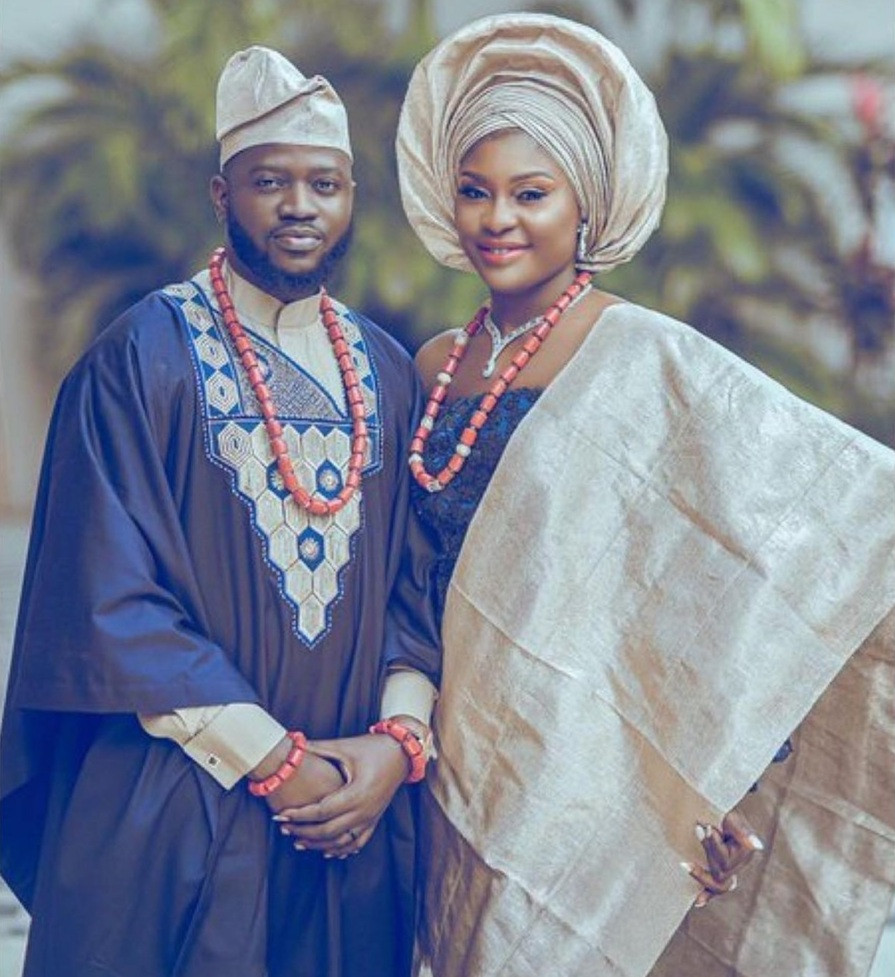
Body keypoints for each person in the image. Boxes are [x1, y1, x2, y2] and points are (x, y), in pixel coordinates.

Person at [392, 13, 895, 977]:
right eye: (475, 190)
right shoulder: (431, 365)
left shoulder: (642, 355)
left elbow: (764, 549)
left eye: (530, 193)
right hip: (434, 748)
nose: (497, 218)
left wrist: (728, 772)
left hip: (579, 756)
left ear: (585, 207)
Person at [0, 46, 440, 977]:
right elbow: (109, 599)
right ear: (221, 193)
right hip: (179, 807)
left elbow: (416, 585)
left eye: (324, 183)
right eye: (269, 181)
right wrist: (274, 759)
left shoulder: (388, 372)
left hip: (347, 822)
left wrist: (394, 746)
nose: (298, 206)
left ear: (352, 197)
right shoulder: (140, 359)